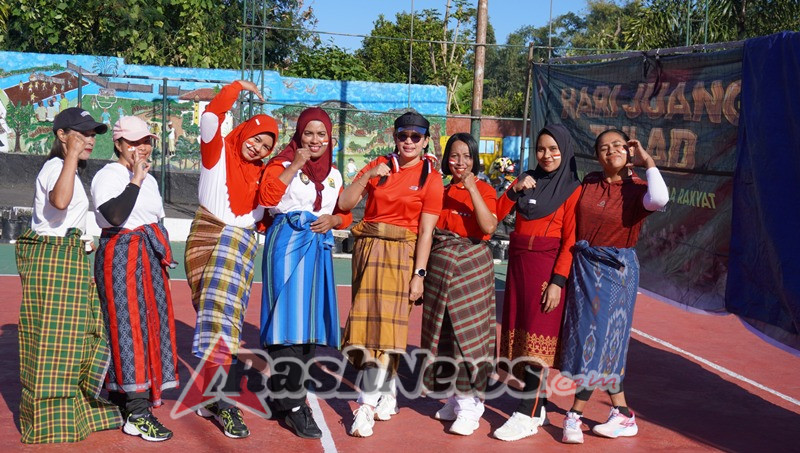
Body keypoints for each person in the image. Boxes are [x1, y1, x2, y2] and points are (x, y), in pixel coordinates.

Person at [15, 108, 121, 443]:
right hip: (53, 265)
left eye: (93, 134)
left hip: (70, 260)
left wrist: (84, 240)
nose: (90, 140)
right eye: (83, 133)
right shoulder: (56, 167)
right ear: (61, 135)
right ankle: (48, 422)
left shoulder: (69, 170)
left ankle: (74, 412)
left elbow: (63, 217)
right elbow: (59, 203)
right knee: (52, 343)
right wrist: (71, 157)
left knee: (78, 338)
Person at [559, 128, 669, 444]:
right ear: (597, 156)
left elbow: (660, 199)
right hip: (584, 266)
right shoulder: (590, 181)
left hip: (616, 272)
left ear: (629, 151)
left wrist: (647, 159)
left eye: (618, 145)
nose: (611, 151)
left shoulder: (637, 189)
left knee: (601, 343)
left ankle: (574, 415)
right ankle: (622, 413)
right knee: (591, 343)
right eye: (604, 148)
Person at [338, 111, 444, 438]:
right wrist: (366, 177)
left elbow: (426, 232)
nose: (408, 141)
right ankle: (389, 390)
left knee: (384, 333)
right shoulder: (378, 165)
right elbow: (345, 203)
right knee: (374, 329)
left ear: (426, 140)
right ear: (394, 136)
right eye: (403, 135)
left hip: (402, 255)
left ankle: (365, 406)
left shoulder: (431, 178)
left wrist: (419, 274)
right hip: (368, 251)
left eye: (416, 136)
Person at [183, 80, 278, 439]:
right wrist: (237, 87)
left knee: (222, 325)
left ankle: (218, 399)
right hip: (208, 241)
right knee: (218, 324)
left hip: (241, 250)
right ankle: (219, 400)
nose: (257, 148)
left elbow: (265, 216)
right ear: (244, 132)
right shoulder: (217, 151)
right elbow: (211, 115)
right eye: (255, 139)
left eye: (266, 146)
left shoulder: (262, 178)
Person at [258, 107, 352, 439]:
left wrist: (335, 221)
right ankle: (295, 406)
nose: (315, 140)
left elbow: (345, 213)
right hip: (286, 244)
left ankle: (282, 396)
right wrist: (296, 164)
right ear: (298, 135)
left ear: (330, 139)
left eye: (321, 135)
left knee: (309, 327)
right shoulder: (282, 164)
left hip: (318, 249)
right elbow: (267, 198)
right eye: (308, 133)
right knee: (287, 325)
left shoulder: (335, 175)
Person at [491, 124, 582, 441]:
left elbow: (571, 241)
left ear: (565, 151)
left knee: (536, 345)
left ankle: (525, 414)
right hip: (518, 269)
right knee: (520, 338)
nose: (547, 155)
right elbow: (495, 217)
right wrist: (514, 189)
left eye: (554, 149)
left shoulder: (572, 190)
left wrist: (558, 281)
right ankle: (538, 407)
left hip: (546, 273)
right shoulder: (526, 182)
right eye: (541, 149)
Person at [91, 115, 178, 442]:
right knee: (127, 329)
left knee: (151, 328)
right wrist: (136, 180)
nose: (143, 148)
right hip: (121, 258)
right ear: (119, 144)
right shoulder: (109, 175)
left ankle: (133, 401)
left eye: (147, 141)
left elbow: (157, 219)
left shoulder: (151, 181)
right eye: (135, 142)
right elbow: (113, 216)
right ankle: (137, 411)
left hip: (148, 260)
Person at [420, 133, 498, 436]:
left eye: (467, 156)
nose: (460, 162)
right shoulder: (437, 189)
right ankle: (455, 397)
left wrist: (471, 188)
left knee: (471, 340)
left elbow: (489, 226)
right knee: (446, 337)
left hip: (472, 269)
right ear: (446, 159)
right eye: (454, 156)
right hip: (441, 268)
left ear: (475, 159)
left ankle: (470, 406)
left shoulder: (485, 189)